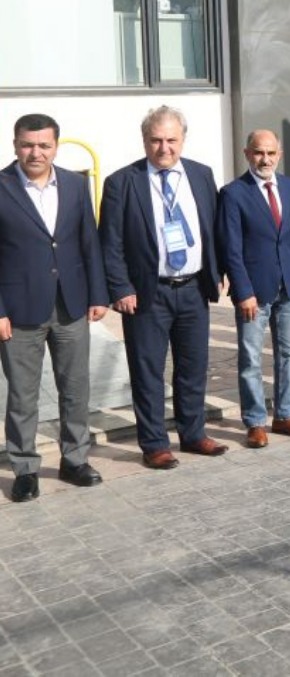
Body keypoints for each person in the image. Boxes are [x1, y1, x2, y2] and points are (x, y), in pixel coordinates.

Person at [99, 105, 226, 468]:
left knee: (193, 367)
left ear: (183, 139)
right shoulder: (122, 182)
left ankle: (193, 434)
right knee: (147, 371)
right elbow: (111, 242)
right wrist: (120, 288)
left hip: (193, 289)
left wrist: (218, 270)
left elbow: (212, 226)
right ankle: (154, 443)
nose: (164, 148)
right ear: (144, 141)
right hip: (146, 294)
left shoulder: (201, 174)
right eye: (156, 140)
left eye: (171, 140)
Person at [0, 114, 108, 501]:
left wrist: (98, 294)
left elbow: (88, 242)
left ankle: (74, 460)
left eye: (44, 145)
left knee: (75, 388)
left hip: (71, 304)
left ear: (56, 147)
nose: (36, 152)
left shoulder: (76, 185)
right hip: (19, 310)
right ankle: (25, 469)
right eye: (28, 144)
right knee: (22, 396)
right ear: (16, 145)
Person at [216, 130, 290, 449]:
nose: (265, 159)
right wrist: (243, 291)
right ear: (247, 154)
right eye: (259, 152)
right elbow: (231, 249)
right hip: (253, 293)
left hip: (289, 287)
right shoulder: (233, 193)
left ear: (279, 155)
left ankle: (285, 414)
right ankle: (255, 421)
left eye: (271, 153)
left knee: (289, 354)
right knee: (251, 359)